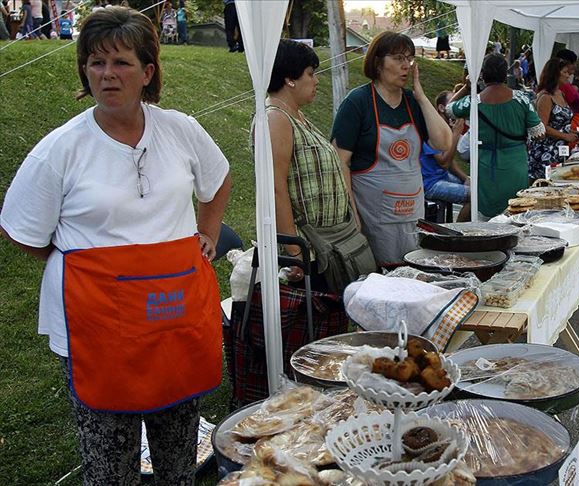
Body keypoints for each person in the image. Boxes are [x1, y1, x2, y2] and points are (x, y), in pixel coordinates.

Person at [0, 7, 231, 484]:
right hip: (98, 325)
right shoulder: (61, 149)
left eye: (121, 62)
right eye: (96, 62)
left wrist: (207, 232)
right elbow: (21, 231)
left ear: (147, 72)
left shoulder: (180, 129)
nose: (108, 74)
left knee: (177, 455)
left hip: (172, 314)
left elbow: (218, 178)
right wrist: (90, 266)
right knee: (110, 462)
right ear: (84, 71)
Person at [331, 31, 451, 266]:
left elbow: (443, 143)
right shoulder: (357, 102)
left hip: (412, 211)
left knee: (412, 268)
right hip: (372, 216)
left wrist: (422, 97)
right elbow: (340, 161)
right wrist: (352, 214)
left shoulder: (413, 102)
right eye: (398, 58)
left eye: (409, 58)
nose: (406, 65)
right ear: (378, 62)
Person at [266, 39, 374, 293]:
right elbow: (275, 188)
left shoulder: (296, 115)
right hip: (311, 249)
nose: (316, 81)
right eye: (310, 74)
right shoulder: (276, 119)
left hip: (333, 242)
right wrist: (294, 250)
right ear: (289, 79)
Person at [448, 53, 545, 218]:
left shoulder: (474, 101)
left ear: (483, 75)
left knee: (484, 217)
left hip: (485, 167)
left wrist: (466, 87)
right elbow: (539, 133)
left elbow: (449, 109)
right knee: (516, 213)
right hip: (515, 164)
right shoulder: (522, 99)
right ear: (505, 74)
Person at [421, 91, 470, 221]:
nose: (456, 107)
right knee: (475, 196)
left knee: (478, 188)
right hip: (430, 184)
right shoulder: (432, 128)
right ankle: (458, 231)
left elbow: (450, 163)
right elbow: (444, 162)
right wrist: (456, 133)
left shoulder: (446, 126)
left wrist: (465, 178)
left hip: (442, 176)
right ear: (442, 108)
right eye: (452, 103)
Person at [528, 58, 576, 181]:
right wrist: (565, 136)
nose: (568, 75)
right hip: (546, 151)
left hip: (560, 149)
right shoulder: (546, 97)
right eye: (564, 72)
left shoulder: (560, 93)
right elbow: (542, 127)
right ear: (555, 73)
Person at [556, 49, 579, 133]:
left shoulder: (567, 83)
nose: (575, 66)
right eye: (573, 63)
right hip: (570, 126)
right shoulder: (561, 85)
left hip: (576, 124)